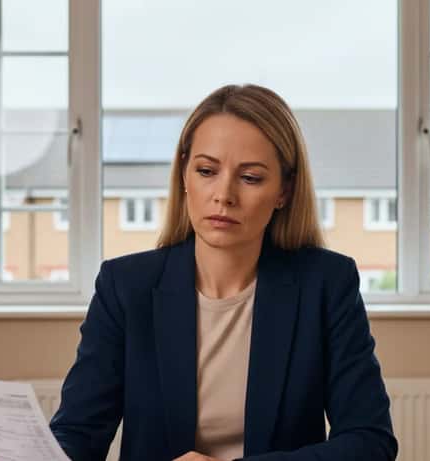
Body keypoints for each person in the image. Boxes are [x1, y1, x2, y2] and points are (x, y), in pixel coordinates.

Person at [50, 84, 398, 461]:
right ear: (184, 176)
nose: (223, 195)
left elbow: (369, 441)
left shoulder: (327, 284)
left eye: (250, 177)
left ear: (284, 190)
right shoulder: (125, 285)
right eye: (206, 171)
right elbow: (78, 433)